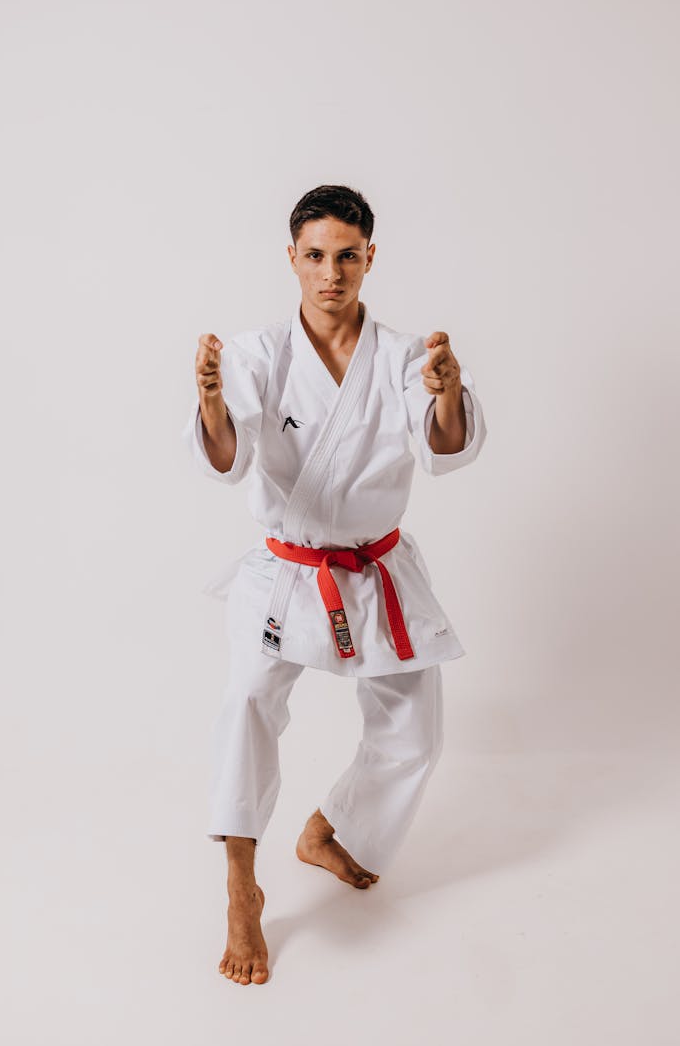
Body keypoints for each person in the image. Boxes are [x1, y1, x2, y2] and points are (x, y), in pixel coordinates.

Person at [181, 184, 487, 986]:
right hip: (287, 569)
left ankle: (331, 831)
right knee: (248, 702)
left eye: (346, 256)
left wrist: (449, 391)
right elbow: (227, 456)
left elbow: (445, 448)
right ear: (292, 259)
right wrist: (211, 403)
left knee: (416, 734)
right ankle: (241, 890)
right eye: (314, 256)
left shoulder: (408, 355)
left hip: (375, 568)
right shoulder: (254, 355)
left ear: (369, 259)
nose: (330, 273)